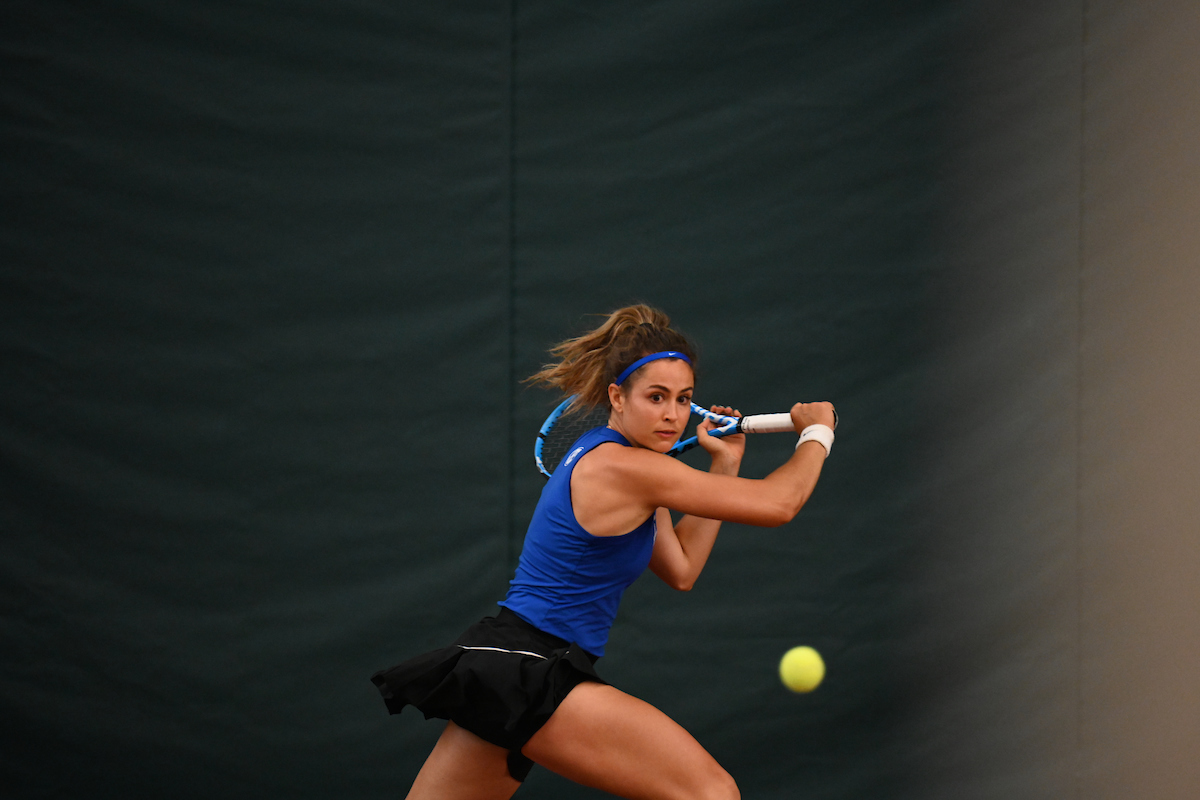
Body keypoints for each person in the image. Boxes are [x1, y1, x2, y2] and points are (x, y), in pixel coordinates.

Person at [371, 304, 836, 800]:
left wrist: (724, 466)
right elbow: (780, 504)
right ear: (617, 396)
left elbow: (681, 569)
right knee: (712, 793)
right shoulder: (627, 468)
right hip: (532, 665)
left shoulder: (630, 463)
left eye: (683, 399)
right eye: (656, 397)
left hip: (507, 661)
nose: (673, 415)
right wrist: (817, 431)